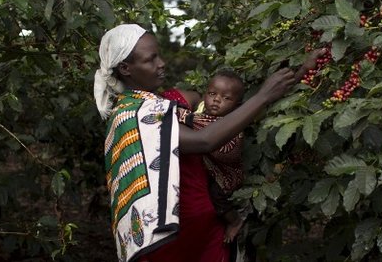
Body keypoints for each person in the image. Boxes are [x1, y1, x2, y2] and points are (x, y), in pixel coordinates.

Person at [93, 23, 320, 262]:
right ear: (126, 68)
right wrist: (264, 95)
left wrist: (300, 72)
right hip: (170, 244)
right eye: (151, 60)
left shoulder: (168, 101)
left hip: (208, 233)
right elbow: (204, 141)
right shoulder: (132, 115)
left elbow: (229, 109)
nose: (161, 63)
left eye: (158, 55)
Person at [162, 70, 247, 245]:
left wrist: (160, 109)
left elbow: (184, 117)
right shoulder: (202, 108)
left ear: (237, 106)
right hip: (209, 166)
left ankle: (235, 221)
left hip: (224, 176)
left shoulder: (223, 122)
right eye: (212, 94)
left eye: (226, 98)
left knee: (217, 199)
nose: (216, 100)